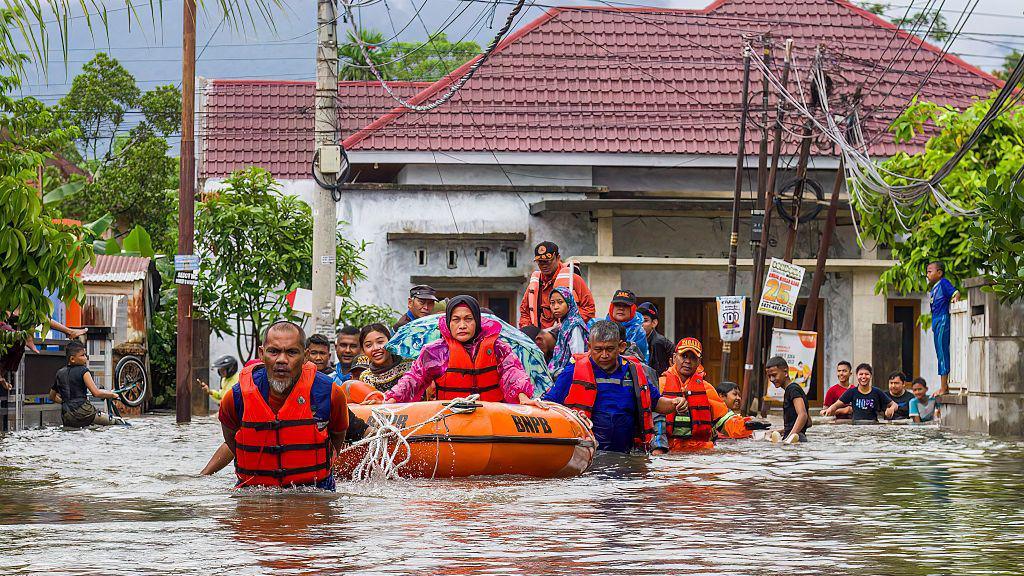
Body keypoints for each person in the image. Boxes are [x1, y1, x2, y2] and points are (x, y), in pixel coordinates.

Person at [216, 321, 350, 490]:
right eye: (273, 351)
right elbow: (231, 437)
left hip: (315, 490)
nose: (281, 360)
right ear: (261, 353)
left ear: (305, 356)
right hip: (254, 491)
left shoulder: (330, 393)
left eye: (292, 352)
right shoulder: (236, 397)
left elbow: (338, 434)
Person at [542, 320, 686, 453]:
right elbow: (549, 404)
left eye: (610, 349)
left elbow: (656, 403)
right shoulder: (573, 371)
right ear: (589, 346)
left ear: (621, 347)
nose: (604, 355)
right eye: (598, 349)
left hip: (627, 453)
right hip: (587, 453)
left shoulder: (634, 372)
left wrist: (674, 403)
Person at [379, 295, 534, 404]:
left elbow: (513, 373)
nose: (462, 325)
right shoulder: (435, 352)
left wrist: (523, 398)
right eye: (456, 320)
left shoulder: (498, 348)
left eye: (468, 319)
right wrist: (391, 399)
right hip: (451, 418)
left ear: (477, 322)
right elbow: (413, 379)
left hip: (493, 415)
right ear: (448, 323)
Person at [658, 338, 764, 449]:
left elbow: (726, 421)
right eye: (684, 356)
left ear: (699, 361)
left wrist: (746, 426)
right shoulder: (660, 385)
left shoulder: (706, 389)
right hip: (667, 450)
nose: (688, 361)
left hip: (700, 452)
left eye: (693, 357)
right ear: (675, 358)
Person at [519, 241, 595, 329]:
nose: (544, 266)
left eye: (547, 261)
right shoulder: (535, 284)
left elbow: (589, 309)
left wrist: (567, 323)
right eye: (540, 262)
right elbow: (525, 312)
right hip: (541, 338)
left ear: (558, 258)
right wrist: (528, 330)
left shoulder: (572, 279)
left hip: (566, 336)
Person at [48, 341, 118, 428]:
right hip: (85, 412)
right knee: (117, 423)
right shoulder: (83, 371)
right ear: (72, 359)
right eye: (82, 355)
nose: (85, 358)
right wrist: (113, 394)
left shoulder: (60, 373)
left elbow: (51, 397)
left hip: (67, 416)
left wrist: (65, 403)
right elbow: (96, 393)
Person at [822, 363, 898, 422]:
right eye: (861, 374)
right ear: (856, 376)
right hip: (856, 425)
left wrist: (891, 409)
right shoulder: (851, 392)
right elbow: (836, 405)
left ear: (871, 376)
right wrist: (829, 409)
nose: (863, 377)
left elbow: (895, 405)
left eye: (867, 374)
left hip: (873, 425)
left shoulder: (877, 392)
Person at [927, 261, 960, 394]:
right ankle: (943, 385)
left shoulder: (943, 283)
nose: (927, 274)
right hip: (936, 321)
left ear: (939, 273)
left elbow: (955, 292)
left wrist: (955, 299)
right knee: (939, 353)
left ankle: (943, 387)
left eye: (930, 271)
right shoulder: (934, 288)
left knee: (942, 352)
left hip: (942, 320)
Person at [355, 324, 413, 393]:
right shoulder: (366, 377)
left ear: (390, 342)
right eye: (368, 345)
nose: (375, 348)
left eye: (380, 342)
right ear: (363, 351)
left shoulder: (410, 366)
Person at [596, 289, 649, 364]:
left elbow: (641, 361)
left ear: (632, 309)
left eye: (626, 305)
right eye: (617, 305)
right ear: (612, 307)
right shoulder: (598, 327)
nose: (621, 308)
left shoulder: (639, 332)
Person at [766, 356, 810, 442]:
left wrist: (788, 440)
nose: (771, 379)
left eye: (774, 375)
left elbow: (803, 415)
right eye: (769, 376)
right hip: (799, 438)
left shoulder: (792, 389)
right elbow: (808, 423)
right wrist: (781, 431)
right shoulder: (795, 389)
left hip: (796, 440)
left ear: (785, 372)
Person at [547, 287, 589, 377]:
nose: (555, 307)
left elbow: (578, 356)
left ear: (569, 303)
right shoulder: (565, 323)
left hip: (570, 375)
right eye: (552, 303)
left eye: (560, 302)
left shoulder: (574, 325)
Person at [638, 302, 673, 377]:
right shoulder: (637, 339)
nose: (641, 324)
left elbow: (658, 373)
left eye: (645, 320)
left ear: (654, 323)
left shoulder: (658, 342)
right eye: (638, 320)